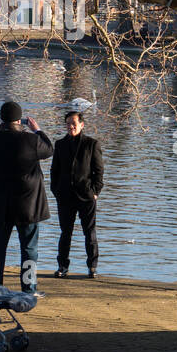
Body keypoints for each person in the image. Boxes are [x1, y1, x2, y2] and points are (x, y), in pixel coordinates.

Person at [0, 101, 52, 295]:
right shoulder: (31, 141)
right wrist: (37, 130)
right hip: (27, 205)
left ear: (2, 120)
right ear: (19, 120)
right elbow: (49, 149)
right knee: (29, 248)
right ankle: (28, 288)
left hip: (1, 205)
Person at [50, 111, 105, 279]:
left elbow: (99, 171)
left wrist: (95, 192)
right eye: (67, 123)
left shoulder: (91, 144)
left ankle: (92, 267)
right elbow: (55, 171)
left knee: (89, 232)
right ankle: (62, 266)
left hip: (86, 196)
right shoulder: (60, 144)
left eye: (73, 123)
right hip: (65, 196)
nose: (70, 126)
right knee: (65, 232)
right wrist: (56, 190)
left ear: (82, 124)